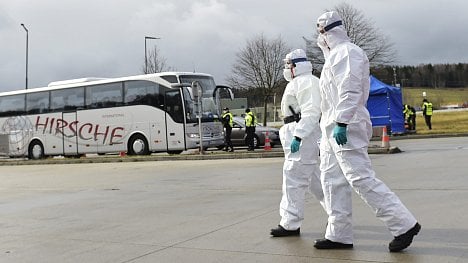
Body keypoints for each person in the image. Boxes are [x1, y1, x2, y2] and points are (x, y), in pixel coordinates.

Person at [314, 11, 421, 252]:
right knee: (331, 180)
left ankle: (403, 224)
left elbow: (350, 89)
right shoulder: (332, 57)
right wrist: (328, 127)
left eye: (322, 30)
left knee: (359, 177)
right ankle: (338, 233)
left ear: (330, 30)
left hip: (347, 124)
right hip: (333, 126)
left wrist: (341, 121)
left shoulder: (348, 52)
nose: (320, 36)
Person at [270, 49, 325, 237]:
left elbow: (310, 112)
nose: (286, 68)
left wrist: (298, 136)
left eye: (288, 64)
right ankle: (337, 214)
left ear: (296, 66)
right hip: (298, 132)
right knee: (314, 179)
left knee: (293, 178)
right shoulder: (300, 82)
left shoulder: (306, 82)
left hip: (300, 133)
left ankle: (290, 223)